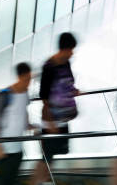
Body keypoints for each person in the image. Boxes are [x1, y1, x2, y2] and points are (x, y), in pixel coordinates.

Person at [33, 33, 79, 184]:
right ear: (65, 48)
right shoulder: (49, 66)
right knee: (47, 155)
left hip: (62, 118)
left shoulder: (65, 63)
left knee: (52, 154)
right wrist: (51, 122)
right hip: (51, 118)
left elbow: (68, 83)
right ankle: (39, 181)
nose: (72, 53)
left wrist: (73, 91)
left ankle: (45, 180)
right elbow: (44, 97)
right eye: (71, 49)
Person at [0, 63, 32, 185]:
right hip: (4, 150)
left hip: (17, 149)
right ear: (20, 77)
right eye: (27, 79)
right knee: (0, 182)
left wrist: (28, 124)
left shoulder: (25, 92)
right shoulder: (6, 94)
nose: (29, 82)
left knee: (11, 180)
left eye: (30, 79)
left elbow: (24, 110)